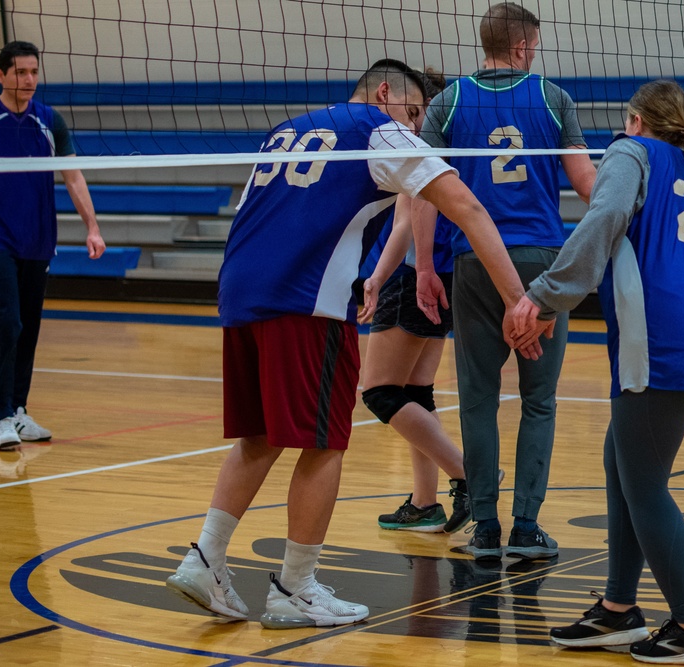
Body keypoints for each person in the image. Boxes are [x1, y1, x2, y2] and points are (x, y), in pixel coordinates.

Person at [165, 58, 528, 630]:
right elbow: (469, 206)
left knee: (259, 435)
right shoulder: (376, 131)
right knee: (325, 443)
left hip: (240, 292)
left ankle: (206, 558)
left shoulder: (287, 128)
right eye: (412, 114)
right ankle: (297, 588)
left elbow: (253, 213)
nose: (414, 128)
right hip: (305, 302)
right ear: (384, 94)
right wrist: (516, 297)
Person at [514, 80, 684, 664]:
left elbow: (605, 214)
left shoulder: (628, 151)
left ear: (634, 119)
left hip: (664, 335)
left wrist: (543, 295)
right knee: (623, 463)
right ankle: (619, 609)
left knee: (643, 484)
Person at [415, 1, 596, 560]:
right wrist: (634, 220)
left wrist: (425, 266)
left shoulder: (447, 102)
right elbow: (586, 179)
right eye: (534, 44)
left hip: (473, 263)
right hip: (542, 264)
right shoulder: (552, 97)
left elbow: (422, 189)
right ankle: (525, 528)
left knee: (477, 398)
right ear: (522, 46)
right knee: (539, 400)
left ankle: (486, 527)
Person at [0, 40, 105, 450]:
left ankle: (19, 410)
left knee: (28, 328)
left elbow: (73, 176)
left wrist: (93, 227)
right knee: (7, 322)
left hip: (39, 239)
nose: (29, 79)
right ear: (1, 75)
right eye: (20, 72)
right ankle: (0, 416)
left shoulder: (49, 121)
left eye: (34, 72)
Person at [358, 69, 477, 534]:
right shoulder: (450, 143)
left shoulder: (419, 145)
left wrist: (377, 275)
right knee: (415, 393)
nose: (410, 122)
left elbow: (406, 221)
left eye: (415, 113)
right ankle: (425, 502)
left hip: (414, 277)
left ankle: (469, 475)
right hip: (447, 273)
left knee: (380, 392)